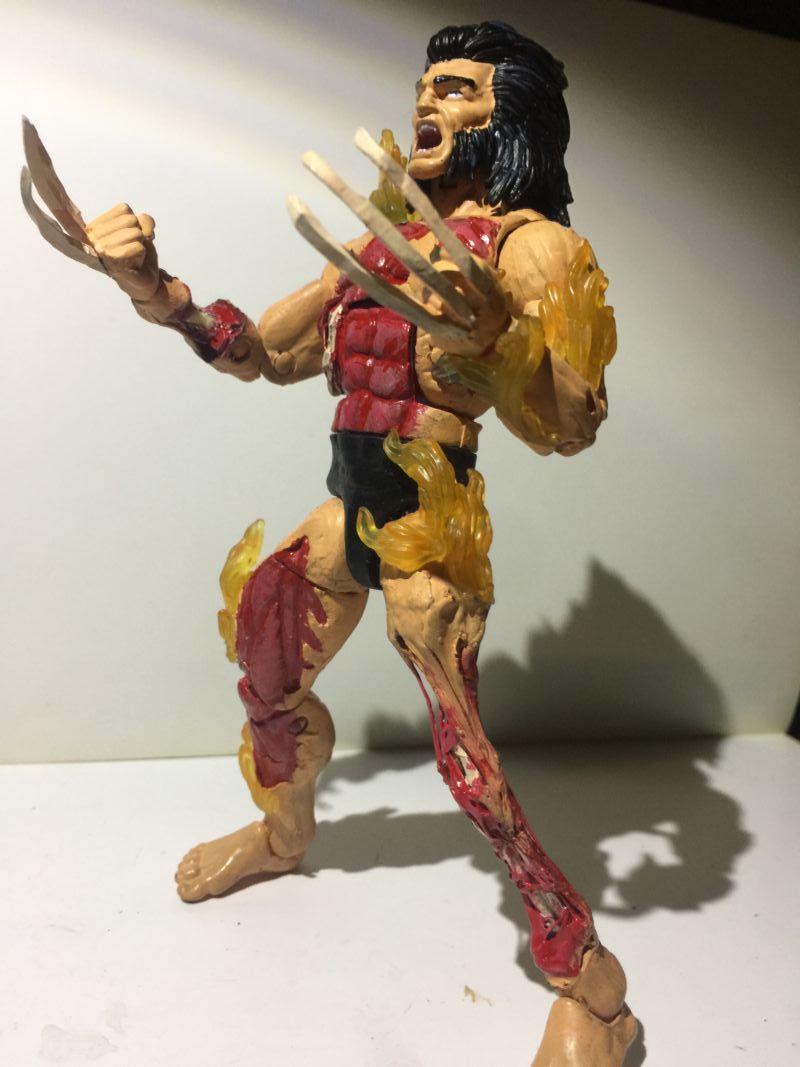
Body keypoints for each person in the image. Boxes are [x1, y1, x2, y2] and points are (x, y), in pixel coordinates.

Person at [24, 20, 636, 1066]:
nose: (428, 103)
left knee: (467, 766)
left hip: (429, 536)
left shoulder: (532, 248)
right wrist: (151, 285)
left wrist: (498, 344)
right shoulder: (381, 245)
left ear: (511, 121)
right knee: (264, 670)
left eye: (458, 90)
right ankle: (283, 835)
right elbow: (260, 351)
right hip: (346, 512)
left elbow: (572, 423)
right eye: (425, 86)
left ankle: (593, 987)